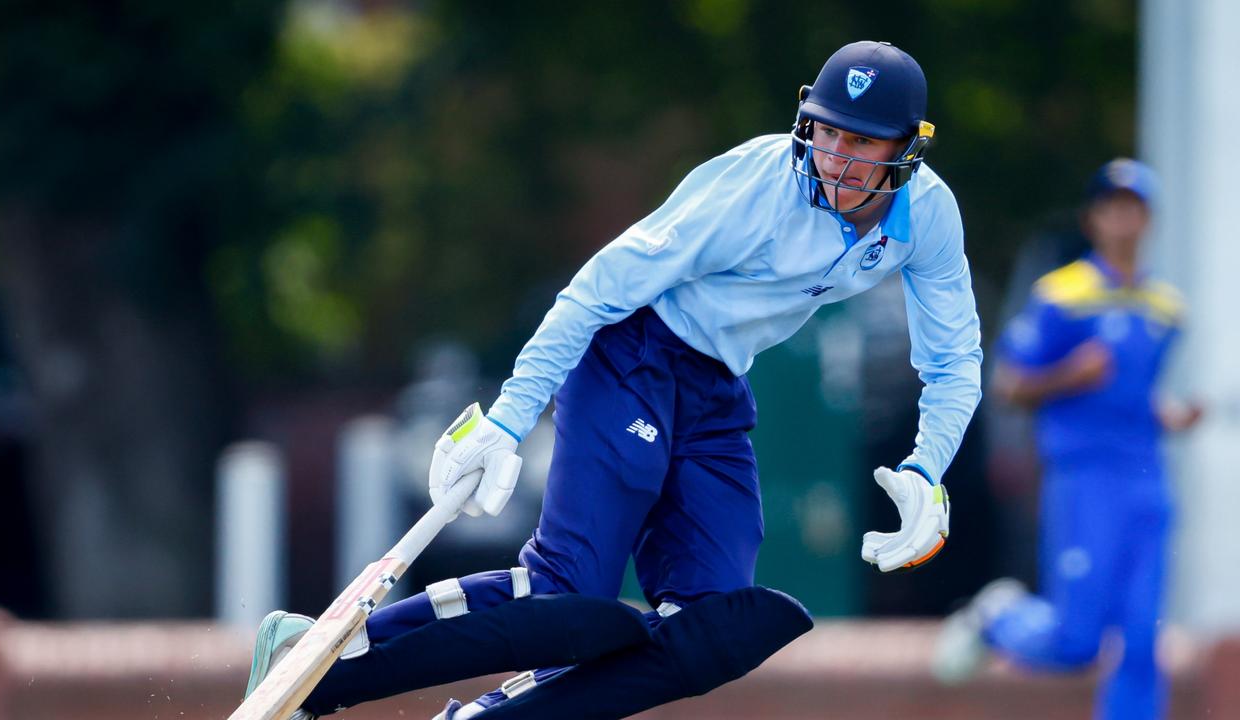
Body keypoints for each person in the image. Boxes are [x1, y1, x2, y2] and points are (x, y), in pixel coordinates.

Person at [247, 40, 982, 720]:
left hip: (716, 392)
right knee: (567, 592)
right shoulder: (753, 190)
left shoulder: (929, 217)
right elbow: (597, 288)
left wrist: (928, 467)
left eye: (859, 141)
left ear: (907, 150)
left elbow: (954, 361)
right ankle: (323, 662)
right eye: (824, 131)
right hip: (631, 353)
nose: (833, 157)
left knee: (709, 626)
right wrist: (507, 418)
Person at [931, 158, 1202, 720]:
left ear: (1148, 219)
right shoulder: (1062, 295)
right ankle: (999, 619)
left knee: (1141, 635)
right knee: (1076, 642)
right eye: (1112, 207)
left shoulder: (1166, 308)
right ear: (1093, 218)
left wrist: (1167, 415)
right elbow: (1008, 385)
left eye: (1134, 208)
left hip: (1147, 478)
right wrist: (1068, 376)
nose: (1123, 219)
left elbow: (1131, 395)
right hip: (1085, 478)